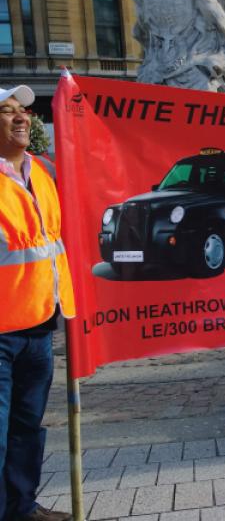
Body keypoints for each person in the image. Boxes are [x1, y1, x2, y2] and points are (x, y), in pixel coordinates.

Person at [0, 85, 75, 521]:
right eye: (8, 112)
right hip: (2, 332)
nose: (22, 117)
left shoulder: (42, 174)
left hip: (40, 326)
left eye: (23, 111)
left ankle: (21, 508)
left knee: (27, 429)